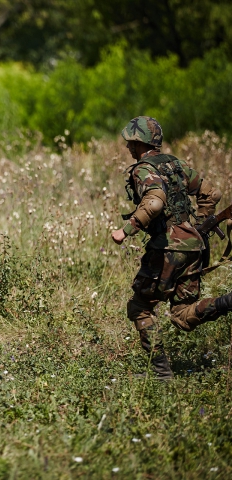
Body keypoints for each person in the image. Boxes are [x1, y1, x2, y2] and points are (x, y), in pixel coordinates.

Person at [112, 116, 231, 379]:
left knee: (140, 307)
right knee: (181, 315)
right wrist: (198, 225)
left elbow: (154, 202)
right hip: (193, 245)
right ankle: (227, 302)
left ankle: (161, 373)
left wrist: (126, 230)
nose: (128, 146)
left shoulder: (142, 169)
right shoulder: (176, 164)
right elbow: (212, 194)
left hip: (167, 248)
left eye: (131, 141)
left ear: (139, 141)